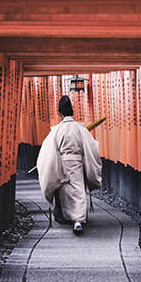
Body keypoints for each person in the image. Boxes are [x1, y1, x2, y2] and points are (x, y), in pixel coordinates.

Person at [35, 95, 103, 234]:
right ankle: (78, 220)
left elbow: (47, 151)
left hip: (61, 163)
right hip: (77, 163)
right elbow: (91, 146)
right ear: (72, 112)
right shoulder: (80, 129)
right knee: (78, 191)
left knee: (63, 191)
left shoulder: (56, 131)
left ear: (59, 113)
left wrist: (49, 165)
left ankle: (67, 217)